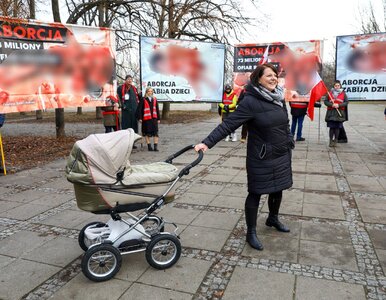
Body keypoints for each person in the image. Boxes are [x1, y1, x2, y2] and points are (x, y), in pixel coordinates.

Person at [195, 63, 294, 251]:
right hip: (261, 156)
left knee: (278, 188)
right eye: (269, 75)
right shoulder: (250, 101)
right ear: (258, 79)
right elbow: (228, 125)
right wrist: (206, 142)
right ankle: (251, 232)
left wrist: (289, 139)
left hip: (281, 153)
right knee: (256, 192)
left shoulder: (279, 98)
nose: (274, 78)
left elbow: (285, 122)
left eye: (275, 75)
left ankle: (272, 218)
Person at [324, 80, 348, 147]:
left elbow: (346, 102)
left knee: (337, 128)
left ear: (340, 86)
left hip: (339, 113)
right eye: (335, 85)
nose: (337, 87)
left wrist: (339, 105)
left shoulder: (343, 94)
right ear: (333, 86)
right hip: (331, 113)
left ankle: (336, 140)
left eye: (338, 85)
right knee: (331, 128)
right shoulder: (329, 93)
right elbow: (325, 102)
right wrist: (331, 105)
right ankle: (331, 140)